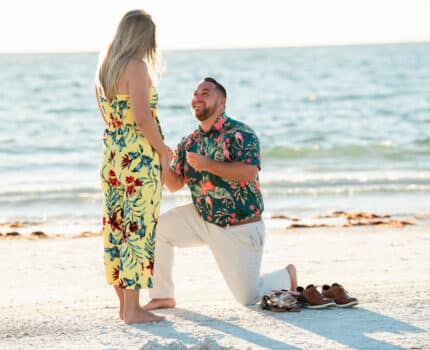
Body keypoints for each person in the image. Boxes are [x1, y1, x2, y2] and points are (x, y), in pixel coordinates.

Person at [143, 77, 298, 311]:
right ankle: (162, 295)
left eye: (205, 93)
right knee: (158, 229)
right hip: (202, 217)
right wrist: (162, 160)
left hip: (238, 226)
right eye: (195, 93)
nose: (197, 98)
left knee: (248, 298)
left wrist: (208, 165)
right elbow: (175, 185)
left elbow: (248, 173)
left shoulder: (241, 134)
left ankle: (287, 276)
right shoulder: (189, 142)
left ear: (222, 102)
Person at [95, 9, 168, 324]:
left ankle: (125, 308)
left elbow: (109, 119)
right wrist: (163, 150)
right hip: (137, 160)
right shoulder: (136, 67)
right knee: (138, 230)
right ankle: (134, 310)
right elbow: (142, 118)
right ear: (144, 37)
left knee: (116, 229)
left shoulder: (104, 69)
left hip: (113, 157)